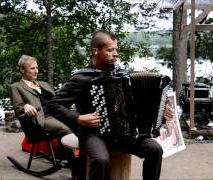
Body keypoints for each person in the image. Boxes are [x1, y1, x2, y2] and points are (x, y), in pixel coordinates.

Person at [48, 30, 172, 180]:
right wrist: (79, 119)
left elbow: (144, 103)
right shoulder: (81, 78)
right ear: (95, 51)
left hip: (125, 134)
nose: (116, 54)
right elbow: (54, 105)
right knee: (101, 160)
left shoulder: (123, 75)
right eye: (110, 50)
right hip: (93, 133)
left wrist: (163, 109)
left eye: (116, 49)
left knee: (155, 149)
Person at [9, 55, 72, 141]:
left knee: (82, 123)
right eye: (32, 68)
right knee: (66, 128)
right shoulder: (16, 87)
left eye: (37, 68)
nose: (36, 71)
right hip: (41, 119)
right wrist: (25, 106)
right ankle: (67, 154)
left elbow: (57, 99)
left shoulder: (44, 84)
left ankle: (86, 153)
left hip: (58, 114)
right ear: (22, 70)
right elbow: (17, 107)